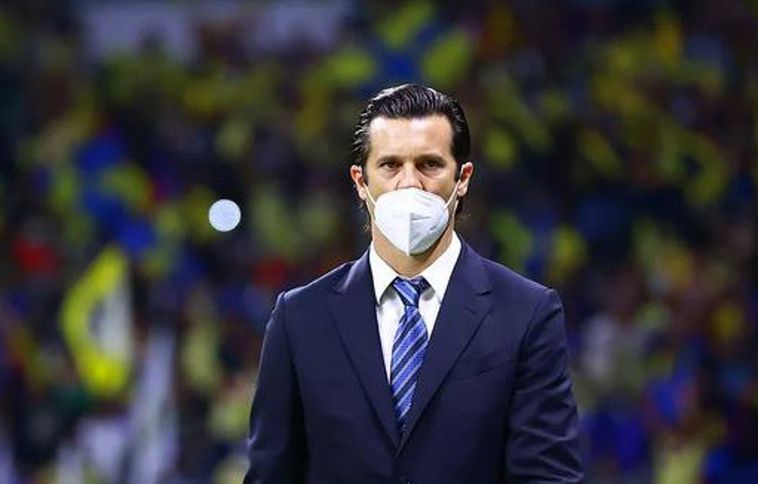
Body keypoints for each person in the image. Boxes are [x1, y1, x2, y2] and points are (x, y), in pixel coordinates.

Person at [245, 84, 583, 483]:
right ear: (361, 182)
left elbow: (546, 476)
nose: (410, 183)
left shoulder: (526, 313)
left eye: (429, 165)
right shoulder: (301, 317)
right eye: (390, 165)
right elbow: (271, 474)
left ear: (462, 178)